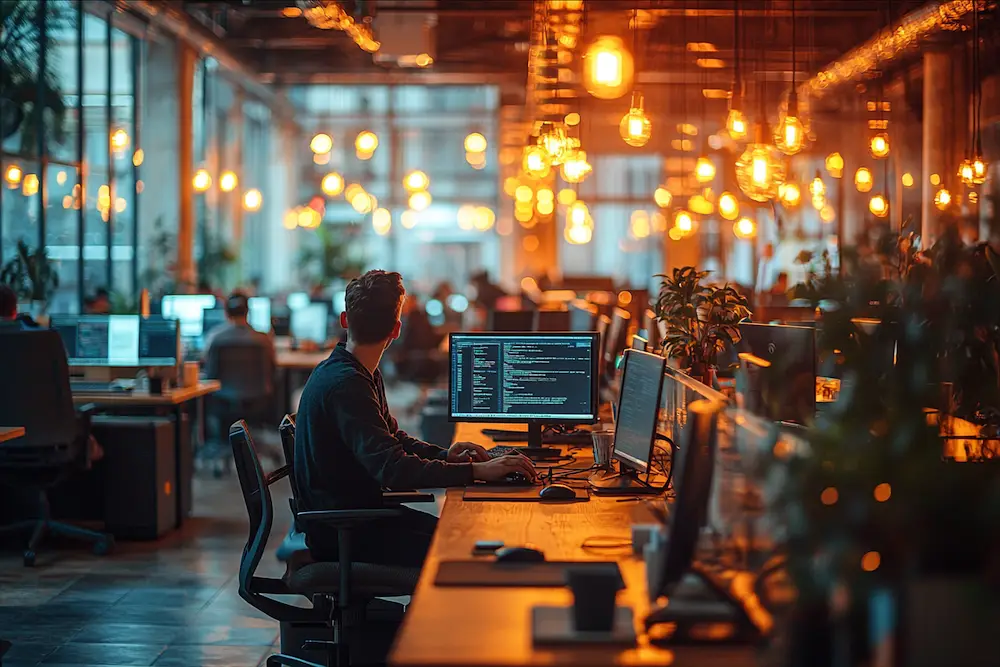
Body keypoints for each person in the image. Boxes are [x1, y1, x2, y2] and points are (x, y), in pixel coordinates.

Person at [294, 269, 537, 567]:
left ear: (345, 321)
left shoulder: (354, 370)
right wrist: (477, 472)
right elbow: (393, 470)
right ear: (396, 329)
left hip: (356, 518)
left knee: (465, 536)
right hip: (346, 533)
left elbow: (394, 440)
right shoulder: (348, 384)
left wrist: (448, 456)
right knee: (463, 550)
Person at [202, 292, 276, 380]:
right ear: (248, 311)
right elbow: (272, 370)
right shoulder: (264, 339)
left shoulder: (216, 337)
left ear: (226, 313)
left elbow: (210, 372)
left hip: (221, 392)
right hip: (259, 392)